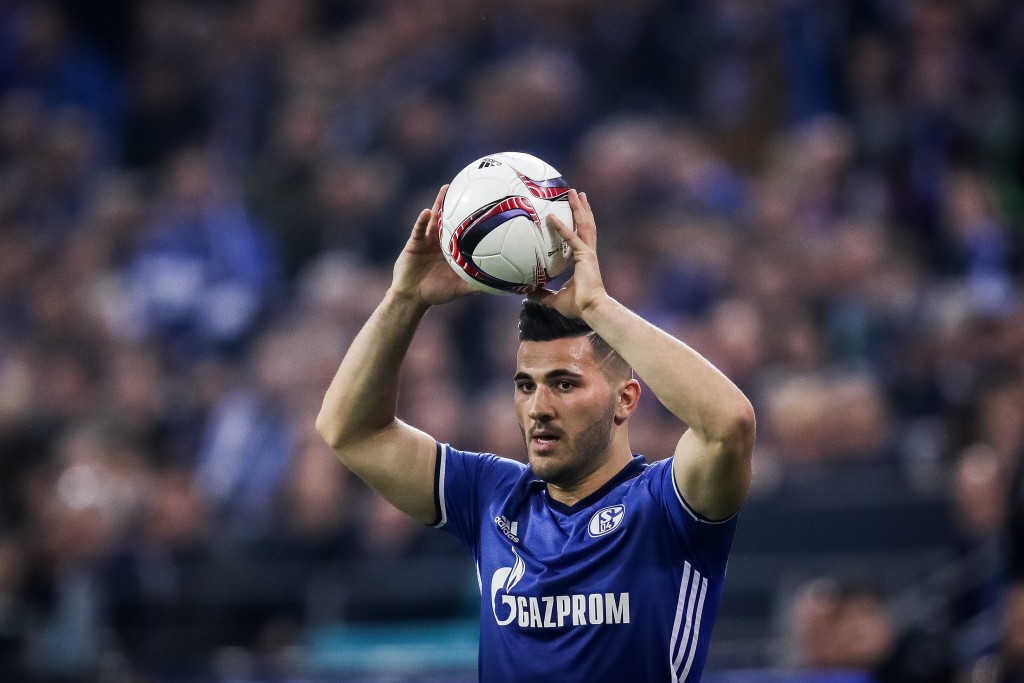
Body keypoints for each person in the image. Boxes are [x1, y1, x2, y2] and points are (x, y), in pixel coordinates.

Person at [315, 185, 756, 681]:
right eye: (526, 385)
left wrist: (597, 307)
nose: (538, 407)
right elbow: (349, 432)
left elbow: (729, 425)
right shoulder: (491, 496)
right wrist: (405, 298)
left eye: (565, 384)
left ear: (626, 400)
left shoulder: (669, 507)